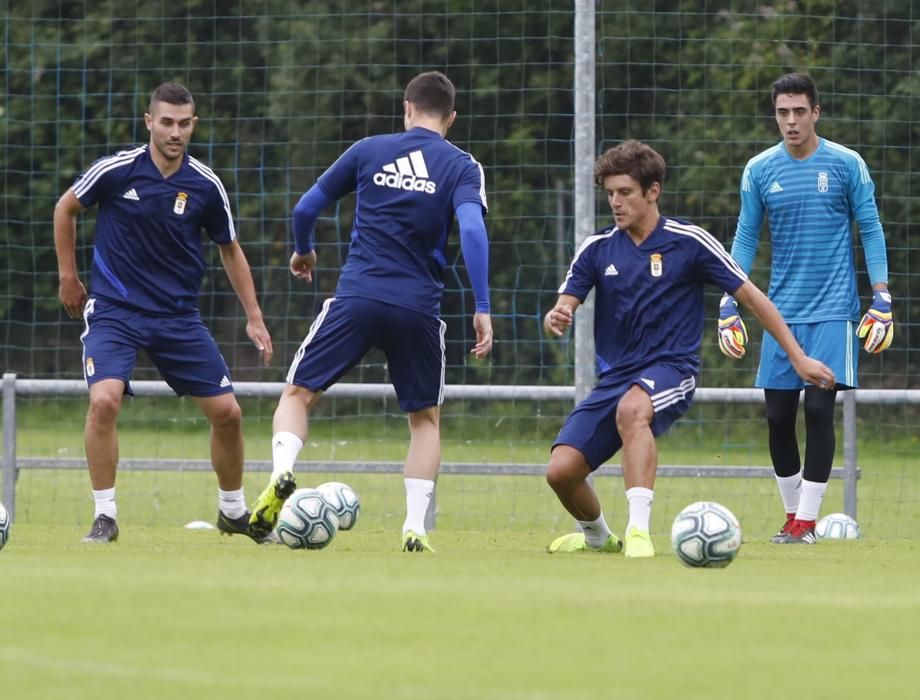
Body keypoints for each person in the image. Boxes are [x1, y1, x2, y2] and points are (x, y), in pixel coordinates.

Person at [544, 139, 834, 558]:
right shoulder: (598, 248)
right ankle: (597, 537)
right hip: (617, 377)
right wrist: (558, 314)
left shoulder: (689, 241)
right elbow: (565, 301)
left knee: (632, 410)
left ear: (653, 191)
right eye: (609, 193)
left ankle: (639, 532)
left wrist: (798, 357)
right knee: (561, 471)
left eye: (624, 192)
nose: (615, 202)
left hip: (671, 368)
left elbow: (753, 298)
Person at [248, 71, 493, 552]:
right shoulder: (463, 166)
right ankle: (415, 526)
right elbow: (472, 232)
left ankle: (282, 474)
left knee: (298, 394)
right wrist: (482, 306)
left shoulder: (368, 150)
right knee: (425, 420)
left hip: (357, 297)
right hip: (417, 308)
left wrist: (303, 251)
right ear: (452, 118)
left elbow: (304, 209)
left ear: (406, 108)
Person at [53, 82, 273, 543]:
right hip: (115, 311)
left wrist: (253, 315)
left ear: (193, 125)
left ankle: (232, 511)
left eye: (184, 123)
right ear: (150, 122)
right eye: (167, 122)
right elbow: (65, 208)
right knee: (104, 400)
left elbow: (229, 250)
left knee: (229, 414)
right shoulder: (117, 171)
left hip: (177, 318)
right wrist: (69, 277)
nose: (175, 132)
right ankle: (105, 517)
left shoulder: (206, 186)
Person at [718, 73, 892, 544]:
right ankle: (793, 516)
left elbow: (871, 229)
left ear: (816, 112)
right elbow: (746, 237)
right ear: (775, 115)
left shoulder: (845, 164)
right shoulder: (759, 170)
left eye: (799, 111)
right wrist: (728, 301)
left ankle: (807, 523)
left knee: (818, 409)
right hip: (780, 313)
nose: (790, 121)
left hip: (834, 311)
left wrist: (882, 295)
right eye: (782, 113)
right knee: (777, 417)